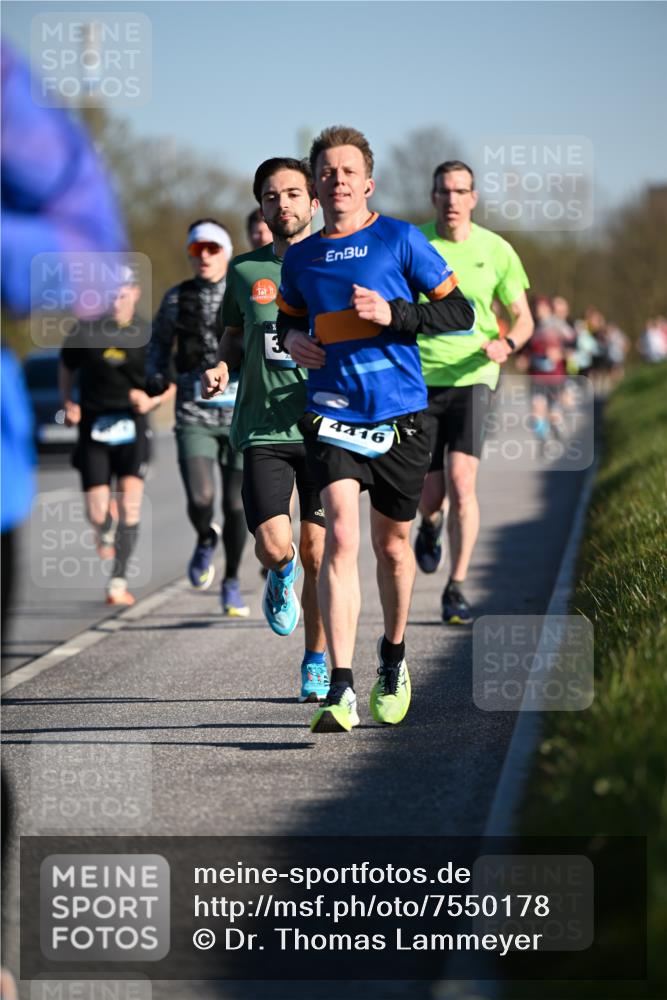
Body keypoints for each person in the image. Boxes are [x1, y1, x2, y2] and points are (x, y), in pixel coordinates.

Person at [276, 126, 474, 734]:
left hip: (401, 415)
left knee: (391, 546)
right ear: (316, 187)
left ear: (368, 183)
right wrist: (295, 341)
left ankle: (393, 657)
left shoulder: (400, 239)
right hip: (332, 414)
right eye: (326, 173)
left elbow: (460, 312)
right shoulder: (300, 257)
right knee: (340, 536)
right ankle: (341, 687)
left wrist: (395, 313)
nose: (337, 180)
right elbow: (285, 324)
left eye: (348, 171)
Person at [202, 158, 328, 702]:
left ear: (314, 202)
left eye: (294, 194)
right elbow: (233, 335)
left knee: (321, 557)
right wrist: (221, 365)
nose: (283, 205)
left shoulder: (338, 264)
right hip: (264, 429)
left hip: (326, 426)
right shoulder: (245, 271)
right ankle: (280, 574)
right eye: (272, 196)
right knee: (278, 546)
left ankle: (317, 662)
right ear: (261, 207)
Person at [414, 160, 533, 624]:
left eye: (460, 191)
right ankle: (430, 525)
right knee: (430, 494)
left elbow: (524, 319)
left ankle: (456, 586)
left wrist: (507, 344)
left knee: (463, 482)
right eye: (444, 191)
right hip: (421, 379)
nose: (452, 200)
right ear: (433, 197)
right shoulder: (415, 244)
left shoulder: (497, 250)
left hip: (475, 376)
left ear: (473, 198)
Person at [148, 219, 250, 616]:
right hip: (194, 411)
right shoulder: (177, 298)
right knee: (201, 497)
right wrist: (156, 375)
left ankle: (231, 581)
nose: (204, 256)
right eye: (197, 250)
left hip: (241, 412)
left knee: (237, 506)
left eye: (212, 249)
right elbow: (158, 344)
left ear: (226, 253)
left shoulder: (244, 291)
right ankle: (206, 537)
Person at [60, 271, 174, 605]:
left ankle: (118, 581)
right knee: (97, 514)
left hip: (133, 425)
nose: (116, 300)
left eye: (122, 293)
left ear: (135, 293)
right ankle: (104, 525)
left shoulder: (148, 334)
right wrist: (68, 402)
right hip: (93, 426)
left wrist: (151, 401)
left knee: (130, 504)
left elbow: (171, 381)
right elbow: (66, 365)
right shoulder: (85, 330)